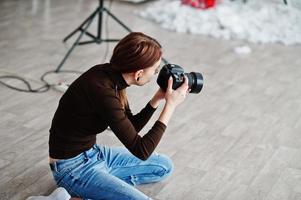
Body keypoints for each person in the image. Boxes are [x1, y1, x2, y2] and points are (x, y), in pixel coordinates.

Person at [48, 32, 189, 200]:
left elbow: (131, 127)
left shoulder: (112, 77)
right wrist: (170, 105)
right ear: (138, 73)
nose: (155, 74)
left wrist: (157, 99)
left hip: (94, 154)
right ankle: (79, 192)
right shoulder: (102, 91)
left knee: (164, 167)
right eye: (155, 70)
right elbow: (142, 150)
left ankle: (97, 190)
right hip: (73, 169)